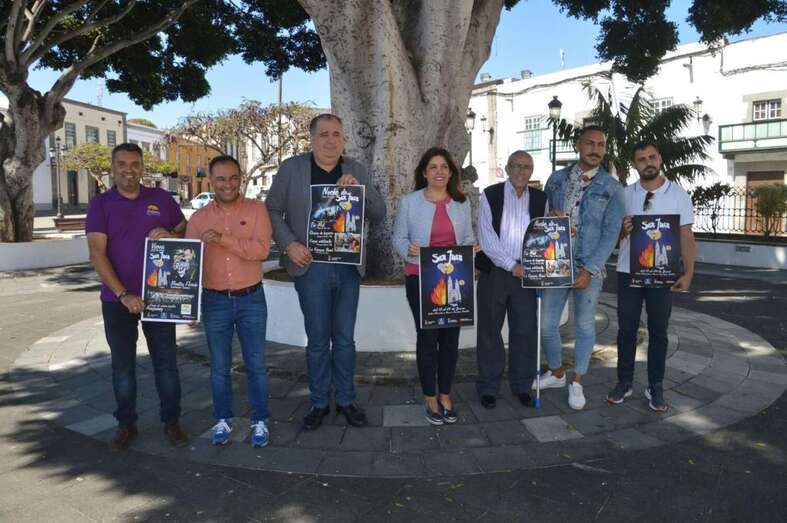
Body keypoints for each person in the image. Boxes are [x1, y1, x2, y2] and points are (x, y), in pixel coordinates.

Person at [266, 113, 386, 430]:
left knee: (344, 340)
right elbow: (271, 209)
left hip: (347, 268)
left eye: (336, 134)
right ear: (312, 139)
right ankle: (319, 402)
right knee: (318, 339)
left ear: (343, 138)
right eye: (324, 134)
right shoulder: (292, 168)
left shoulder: (356, 169)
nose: (331, 140)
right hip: (310, 267)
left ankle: (346, 400)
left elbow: (379, 213)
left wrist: (360, 189)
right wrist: (289, 244)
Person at [85, 142, 188, 451]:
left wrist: (171, 235)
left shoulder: (161, 199)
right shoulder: (101, 204)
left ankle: (172, 422)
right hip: (117, 299)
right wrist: (124, 294)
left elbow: (183, 229)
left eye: (134, 164)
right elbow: (97, 254)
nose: (128, 170)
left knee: (166, 365)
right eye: (122, 164)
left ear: (142, 167)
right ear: (113, 167)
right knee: (123, 367)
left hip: (160, 295)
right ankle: (126, 425)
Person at [186, 155, 273, 446]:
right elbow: (188, 264)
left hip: (251, 298)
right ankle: (223, 419)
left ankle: (260, 421)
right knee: (219, 367)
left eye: (234, 177)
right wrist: (188, 305)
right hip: (214, 301)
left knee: (256, 365)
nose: (228, 184)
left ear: (241, 178)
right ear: (211, 180)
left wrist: (222, 239)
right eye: (221, 179)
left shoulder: (257, 209)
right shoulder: (198, 219)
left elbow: (261, 250)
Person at [539, 126, 625, 410]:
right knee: (547, 325)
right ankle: (556, 373)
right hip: (556, 262)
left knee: (585, 326)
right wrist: (550, 214)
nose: (595, 149)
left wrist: (590, 269)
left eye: (601, 144)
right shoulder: (556, 179)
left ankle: (577, 382)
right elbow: (543, 217)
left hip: (590, 266)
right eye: (590, 143)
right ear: (579, 145)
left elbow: (611, 233)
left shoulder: (611, 188)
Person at [607, 142, 696, 412]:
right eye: (641, 159)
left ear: (660, 159)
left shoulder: (678, 195)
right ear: (635, 164)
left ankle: (655, 386)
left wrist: (688, 272)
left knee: (659, 332)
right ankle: (624, 382)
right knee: (626, 331)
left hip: (662, 274)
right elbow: (612, 238)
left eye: (652, 157)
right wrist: (622, 230)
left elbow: (686, 236)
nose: (648, 162)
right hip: (628, 273)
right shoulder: (624, 195)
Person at [393, 147, 475, 425]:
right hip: (420, 278)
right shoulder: (409, 202)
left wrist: (472, 247)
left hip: (455, 280)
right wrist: (409, 250)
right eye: (433, 167)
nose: (439, 172)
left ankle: (445, 393)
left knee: (451, 339)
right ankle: (430, 396)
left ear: (451, 172)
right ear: (424, 173)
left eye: (444, 167)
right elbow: (398, 238)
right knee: (428, 338)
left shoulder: (462, 202)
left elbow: (467, 238)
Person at [475, 151, 547, 410]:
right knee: (489, 332)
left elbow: (544, 233)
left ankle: (522, 385)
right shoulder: (490, 195)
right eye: (516, 166)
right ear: (507, 169)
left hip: (526, 273)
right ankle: (488, 387)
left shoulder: (541, 198)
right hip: (495, 272)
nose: (520, 171)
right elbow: (487, 238)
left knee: (525, 331)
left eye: (526, 167)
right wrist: (511, 265)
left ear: (531, 171)